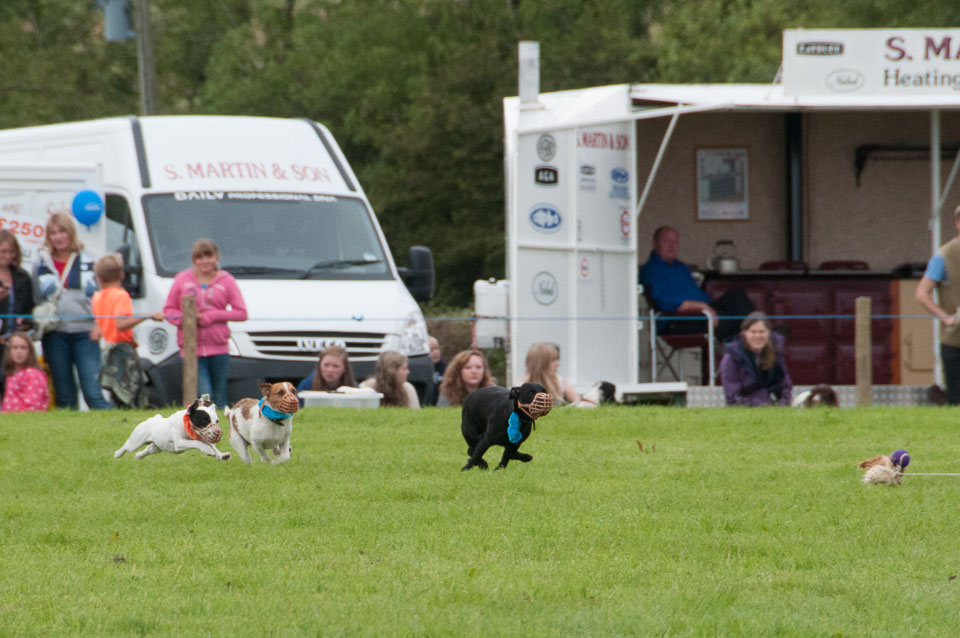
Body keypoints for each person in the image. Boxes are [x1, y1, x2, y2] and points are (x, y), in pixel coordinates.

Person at [32, 212, 111, 410]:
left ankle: (114, 431)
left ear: (71, 233)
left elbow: (105, 294)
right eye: (53, 233)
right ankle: (71, 435)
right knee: (65, 395)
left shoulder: (91, 257)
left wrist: (100, 324)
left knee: (93, 392)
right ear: (48, 237)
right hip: (55, 334)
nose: (58, 237)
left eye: (62, 231)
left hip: (86, 333)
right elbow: (35, 297)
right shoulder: (41, 261)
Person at [163, 239, 247, 408]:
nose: (204, 262)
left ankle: (220, 427)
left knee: (219, 394)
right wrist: (189, 317)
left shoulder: (226, 280)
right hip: (191, 347)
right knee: (204, 394)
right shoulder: (182, 279)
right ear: (194, 260)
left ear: (216, 258)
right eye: (199, 258)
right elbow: (169, 311)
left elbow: (241, 313)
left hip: (218, 347)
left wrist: (213, 316)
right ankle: (204, 427)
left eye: (209, 256)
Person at [640, 226, 754, 342]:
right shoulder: (651, 269)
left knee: (736, 296)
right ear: (655, 244)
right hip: (677, 320)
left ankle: (760, 332)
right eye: (666, 241)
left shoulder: (681, 267)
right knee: (730, 321)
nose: (672, 245)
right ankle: (756, 344)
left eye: (675, 241)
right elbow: (666, 302)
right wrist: (702, 307)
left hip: (702, 312)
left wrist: (706, 307)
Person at [90, 253, 164, 408]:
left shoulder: (97, 297)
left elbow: (99, 327)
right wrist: (147, 315)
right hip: (122, 349)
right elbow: (121, 324)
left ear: (99, 278)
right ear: (122, 275)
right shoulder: (121, 295)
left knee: (116, 392)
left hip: (108, 348)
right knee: (131, 391)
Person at [917, 204, 960, 404]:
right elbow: (922, 293)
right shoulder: (943, 257)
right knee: (956, 400)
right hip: (955, 341)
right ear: (958, 224)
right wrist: (946, 318)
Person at [719, 312, 792, 406]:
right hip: (744, 408)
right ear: (744, 333)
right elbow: (732, 397)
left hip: (772, 406)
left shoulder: (776, 353)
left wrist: (783, 405)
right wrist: (760, 406)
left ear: (768, 333)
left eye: (762, 332)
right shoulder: (731, 358)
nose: (758, 336)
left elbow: (785, 386)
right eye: (753, 332)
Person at [1, 331, 49, 412]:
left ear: (30, 352)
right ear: (9, 351)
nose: (19, 352)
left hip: (26, 420)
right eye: (15, 348)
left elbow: (33, 407)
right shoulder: (11, 374)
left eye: (23, 348)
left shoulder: (33, 374)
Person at [0, 230, 34, 344]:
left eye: (11, 252)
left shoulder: (23, 277)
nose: (8, 256)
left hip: (15, 342)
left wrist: (25, 322)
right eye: (3, 252)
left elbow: (30, 308)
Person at [422, 335, 447, 406]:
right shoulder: (422, 368)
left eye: (437, 348)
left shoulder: (445, 367)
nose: (436, 352)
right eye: (431, 350)